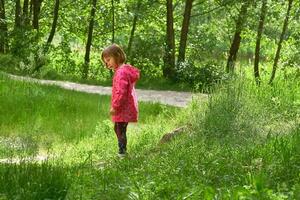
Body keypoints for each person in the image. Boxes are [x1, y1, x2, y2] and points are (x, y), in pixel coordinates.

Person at [101, 44, 140, 157]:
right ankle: (122, 151)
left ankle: (122, 152)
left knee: (120, 129)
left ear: (117, 56)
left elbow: (121, 92)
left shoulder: (121, 72)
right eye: (105, 61)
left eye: (108, 60)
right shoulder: (123, 70)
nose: (107, 63)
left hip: (123, 107)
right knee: (119, 128)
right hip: (126, 106)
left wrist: (115, 106)